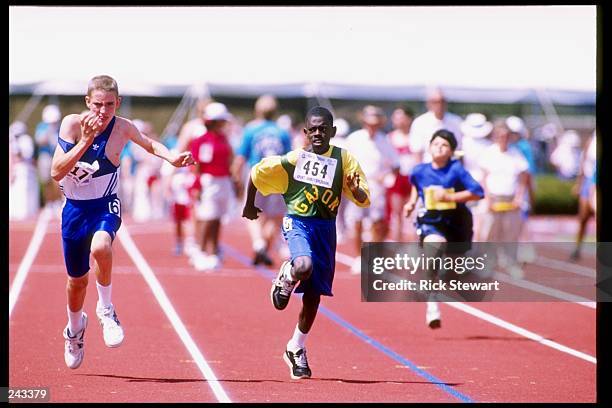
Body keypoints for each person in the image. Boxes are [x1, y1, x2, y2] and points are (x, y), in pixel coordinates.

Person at [50, 75, 194, 370]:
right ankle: (74, 330)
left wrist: (172, 157)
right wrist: (86, 142)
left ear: (119, 103)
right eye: (98, 105)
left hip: (105, 204)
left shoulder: (123, 127)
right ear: (87, 102)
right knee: (76, 282)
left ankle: (106, 309)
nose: (103, 112)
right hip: (75, 210)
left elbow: (150, 144)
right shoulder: (72, 125)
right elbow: (55, 171)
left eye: (110, 105)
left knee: (102, 245)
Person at [242, 106, 370, 380]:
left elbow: (362, 197)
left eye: (323, 128)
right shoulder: (295, 158)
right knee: (303, 264)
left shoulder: (344, 159)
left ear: (333, 131)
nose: (318, 133)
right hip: (299, 222)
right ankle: (287, 276)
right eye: (312, 129)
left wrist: (355, 187)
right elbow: (257, 172)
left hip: (326, 229)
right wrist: (250, 205)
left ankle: (295, 348)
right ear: (305, 133)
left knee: (313, 297)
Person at [403, 129, 484, 329]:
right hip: (432, 222)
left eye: (445, 145)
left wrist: (450, 198)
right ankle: (432, 304)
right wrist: (411, 203)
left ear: (451, 151)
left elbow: (477, 192)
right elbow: (417, 186)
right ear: (429, 147)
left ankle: (448, 277)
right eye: (436, 143)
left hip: (457, 223)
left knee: (453, 274)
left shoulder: (456, 169)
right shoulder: (419, 170)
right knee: (433, 252)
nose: (439, 147)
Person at [232, 94, 292, 266]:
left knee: (252, 214)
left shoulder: (251, 129)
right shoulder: (282, 131)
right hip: (278, 175)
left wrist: (236, 176)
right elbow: (289, 158)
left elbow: (241, 156)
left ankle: (259, 244)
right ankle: (263, 245)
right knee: (275, 217)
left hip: (257, 173)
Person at [345, 105, 400, 274]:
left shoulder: (384, 140)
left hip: (376, 185)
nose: (373, 126)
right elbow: (345, 161)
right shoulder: (354, 138)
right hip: (357, 183)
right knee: (357, 222)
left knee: (377, 223)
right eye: (370, 122)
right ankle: (358, 257)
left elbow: (396, 165)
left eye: (376, 122)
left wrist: (387, 178)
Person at [478, 120, 530, 278]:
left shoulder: (516, 154)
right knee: (489, 233)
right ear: (495, 136)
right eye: (500, 136)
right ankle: (487, 263)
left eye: (506, 136)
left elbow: (523, 177)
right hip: (493, 197)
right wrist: (487, 198)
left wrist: (519, 198)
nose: (503, 138)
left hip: (510, 198)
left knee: (510, 234)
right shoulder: (489, 153)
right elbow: (484, 178)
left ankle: (511, 263)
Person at [190, 102, 237, 271]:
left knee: (217, 218)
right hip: (208, 181)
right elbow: (197, 166)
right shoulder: (202, 140)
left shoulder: (224, 139)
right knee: (207, 217)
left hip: (223, 180)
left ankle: (214, 251)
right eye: (221, 121)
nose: (224, 124)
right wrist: (197, 185)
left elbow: (230, 159)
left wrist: (233, 179)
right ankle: (201, 252)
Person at [386, 105, 418, 242]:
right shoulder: (389, 137)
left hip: (413, 179)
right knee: (397, 214)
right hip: (398, 179)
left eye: (401, 117)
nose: (397, 120)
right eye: (395, 117)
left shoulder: (415, 137)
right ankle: (397, 246)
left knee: (414, 214)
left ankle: (417, 246)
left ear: (409, 119)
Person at [408, 88, 464, 163]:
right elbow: (417, 151)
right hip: (428, 166)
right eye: (436, 102)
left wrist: (458, 168)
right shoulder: (419, 123)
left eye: (442, 101)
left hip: (451, 167)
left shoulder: (456, 121)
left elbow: (459, 149)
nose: (439, 105)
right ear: (428, 104)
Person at [570, 131, 596, 260]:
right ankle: (577, 248)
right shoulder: (591, 140)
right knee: (583, 217)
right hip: (589, 181)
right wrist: (579, 184)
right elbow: (583, 162)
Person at [35, 104, 64, 213]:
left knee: (57, 180)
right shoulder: (42, 127)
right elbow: (39, 141)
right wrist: (49, 132)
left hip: (57, 155)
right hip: (45, 156)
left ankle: (57, 201)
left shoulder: (60, 126)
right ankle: (49, 202)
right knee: (46, 180)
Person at [9, 121, 40, 220]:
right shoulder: (15, 140)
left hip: (25, 168)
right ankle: (17, 212)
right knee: (16, 190)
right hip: (19, 168)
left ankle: (25, 213)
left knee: (25, 190)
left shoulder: (25, 140)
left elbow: (24, 156)